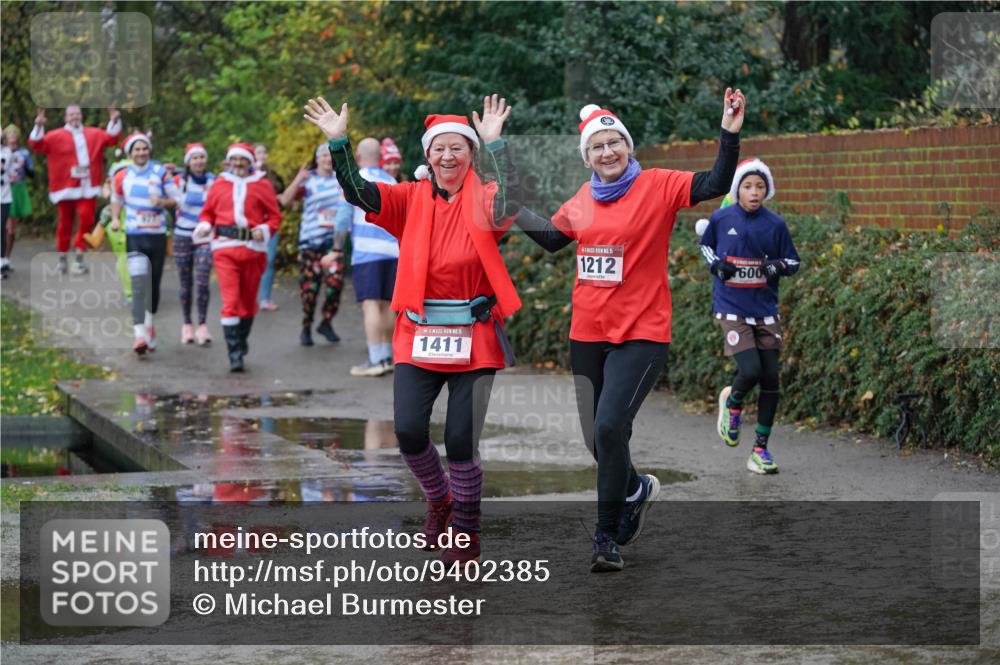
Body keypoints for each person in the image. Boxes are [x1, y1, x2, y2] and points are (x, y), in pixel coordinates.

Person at [512, 89, 745, 572]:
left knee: (611, 426)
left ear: (629, 147)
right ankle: (636, 488)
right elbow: (552, 239)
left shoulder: (658, 185)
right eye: (597, 147)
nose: (607, 152)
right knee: (596, 440)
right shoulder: (582, 198)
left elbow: (717, 180)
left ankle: (605, 538)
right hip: (588, 333)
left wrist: (728, 130)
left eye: (614, 142)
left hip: (642, 333)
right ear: (587, 158)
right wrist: (510, 205)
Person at [304, 94, 519, 566]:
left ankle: (465, 527)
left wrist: (497, 145)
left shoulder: (484, 197)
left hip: (475, 334)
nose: (448, 156)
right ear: (428, 155)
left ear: (470, 156)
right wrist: (339, 143)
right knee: (407, 432)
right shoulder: (407, 198)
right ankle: (439, 498)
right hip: (418, 334)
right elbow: (358, 192)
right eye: (439, 148)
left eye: (458, 149)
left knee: (462, 440)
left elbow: (512, 198)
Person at [699, 157, 800, 474]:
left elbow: (793, 262)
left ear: (767, 190)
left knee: (771, 380)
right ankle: (733, 402)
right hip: (732, 308)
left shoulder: (776, 225)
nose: (754, 192)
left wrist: (779, 266)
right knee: (752, 368)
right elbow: (706, 247)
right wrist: (717, 265)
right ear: (737, 190)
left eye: (760, 186)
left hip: (765, 311)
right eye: (747, 186)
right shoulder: (722, 217)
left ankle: (760, 450)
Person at [193, 143, 282, 372]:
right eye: (234, 160)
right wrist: (204, 225)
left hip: (253, 250)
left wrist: (263, 229)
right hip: (224, 249)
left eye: (242, 160)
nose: (238, 164)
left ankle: (241, 341)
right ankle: (234, 354)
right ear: (228, 162)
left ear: (250, 162)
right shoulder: (219, 184)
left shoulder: (262, 185)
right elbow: (208, 212)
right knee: (231, 302)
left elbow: (274, 217)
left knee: (248, 303)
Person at [328, 136, 399, 376]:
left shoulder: (355, 180)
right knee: (389, 305)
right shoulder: (391, 180)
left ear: (358, 157)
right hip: (393, 252)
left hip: (367, 253)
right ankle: (388, 357)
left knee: (370, 305)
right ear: (380, 158)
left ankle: (375, 359)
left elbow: (342, 218)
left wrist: (337, 249)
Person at [28, 105, 122, 274]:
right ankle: (62, 258)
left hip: (88, 186)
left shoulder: (94, 133)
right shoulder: (55, 136)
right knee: (65, 223)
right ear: (65, 118)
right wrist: (39, 126)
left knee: (86, 220)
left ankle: (79, 257)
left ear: (81, 116)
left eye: (77, 114)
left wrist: (114, 120)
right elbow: (36, 145)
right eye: (71, 114)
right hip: (65, 187)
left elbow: (112, 139)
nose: (75, 117)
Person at [110, 133, 179, 355]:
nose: (141, 153)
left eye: (144, 149)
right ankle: (140, 334)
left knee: (153, 285)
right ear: (130, 153)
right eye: (137, 149)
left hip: (157, 234)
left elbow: (177, 200)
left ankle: (149, 327)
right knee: (139, 284)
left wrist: (161, 202)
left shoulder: (161, 172)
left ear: (149, 151)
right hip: (135, 234)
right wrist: (114, 218)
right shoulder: (122, 175)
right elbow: (116, 198)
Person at [278, 144, 352, 346]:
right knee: (310, 290)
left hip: (333, 243)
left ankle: (326, 321)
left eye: (331, 156)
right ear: (317, 158)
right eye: (324, 156)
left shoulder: (342, 178)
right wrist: (297, 180)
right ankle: (306, 326)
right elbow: (284, 201)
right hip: (310, 243)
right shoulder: (308, 179)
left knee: (335, 285)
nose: (328, 159)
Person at [172, 143, 216, 346]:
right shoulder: (178, 181)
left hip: (205, 236)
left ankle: (203, 324)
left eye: (201, 157)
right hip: (182, 235)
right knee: (185, 283)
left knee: (203, 280)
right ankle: (186, 324)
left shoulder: (214, 181)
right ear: (188, 162)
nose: (198, 161)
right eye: (194, 158)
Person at [254, 143, 285, 312]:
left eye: (264, 151)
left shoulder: (273, 175)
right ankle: (250, 296)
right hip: (253, 225)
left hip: (271, 225)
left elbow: (283, 195)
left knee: (269, 260)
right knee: (252, 260)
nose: (262, 155)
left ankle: (264, 298)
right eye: (258, 152)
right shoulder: (248, 174)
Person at [2, 125, 33, 276]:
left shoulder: (24, 153)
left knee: (11, 228)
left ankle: (6, 258)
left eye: (15, 133)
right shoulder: (2, 152)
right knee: (5, 226)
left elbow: (32, 173)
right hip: (4, 189)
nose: (12, 135)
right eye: (9, 133)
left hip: (17, 190)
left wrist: (24, 167)